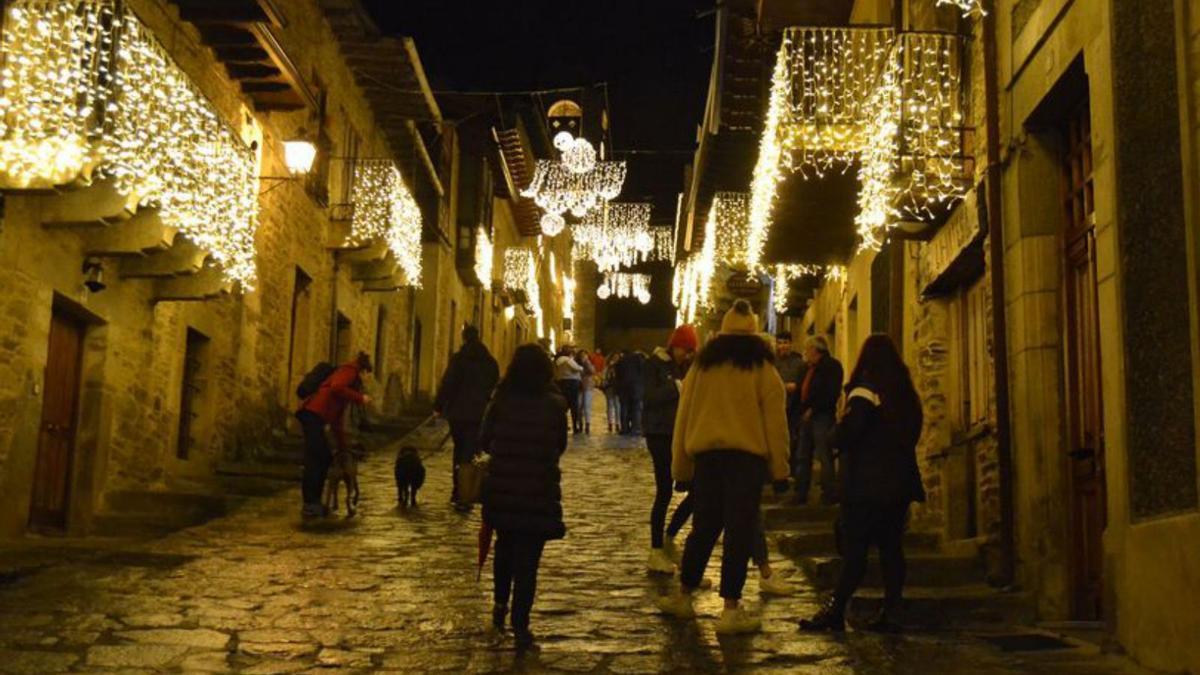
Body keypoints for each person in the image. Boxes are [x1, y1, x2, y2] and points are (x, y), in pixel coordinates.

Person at [656, 300, 790, 634]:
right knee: (739, 533)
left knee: (703, 529)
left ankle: (684, 596)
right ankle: (730, 608)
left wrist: (680, 468)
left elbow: (683, 418)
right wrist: (781, 469)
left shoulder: (702, 367)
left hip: (708, 459)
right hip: (747, 461)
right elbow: (775, 422)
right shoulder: (762, 368)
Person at [799, 334, 925, 633]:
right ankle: (892, 608)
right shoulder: (905, 393)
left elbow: (848, 432)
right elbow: (913, 431)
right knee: (891, 549)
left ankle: (836, 610)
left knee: (855, 551)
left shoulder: (864, 390)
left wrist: (834, 434)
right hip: (898, 484)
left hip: (866, 485)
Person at [479, 344, 569, 651]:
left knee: (504, 548)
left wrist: (506, 451)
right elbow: (560, 445)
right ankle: (521, 626)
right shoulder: (555, 404)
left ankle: (500, 605)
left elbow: (484, 439)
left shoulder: (502, 398)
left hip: (503, 488)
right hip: (538, 491)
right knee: (528, 562)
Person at [642, 325, 698, 573]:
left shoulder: (682, 366)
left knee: (696, 489)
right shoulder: (655, 364)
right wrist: (675, 388)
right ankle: (656, 549)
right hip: (659, 433)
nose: (686, 355)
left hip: (679, 434)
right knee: (664, 490)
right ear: (675, 345)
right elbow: (648, 397)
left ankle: (670, 535)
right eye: (685, 350)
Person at [296, 352, 372, 519]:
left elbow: (337, 420)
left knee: (324, 457)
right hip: (312, 414)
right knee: (317, 457)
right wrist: (360, 398)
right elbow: (336, 387)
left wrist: (342, 445)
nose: (366, 381)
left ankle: (314, 501)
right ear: (363, 371)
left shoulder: (350, 384)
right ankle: (310, 503)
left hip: (316, 416)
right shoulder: (350, 371)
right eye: (367, 376)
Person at [434, 325, 499, 507]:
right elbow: (494, 380)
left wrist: (439, 405)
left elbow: (448, 383)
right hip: (478, 413)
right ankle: (469, 490)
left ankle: (459, 490)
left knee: (459, 449)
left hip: (458, 412)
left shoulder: (459, 359)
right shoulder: (489, 361)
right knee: (471, 451)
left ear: (464, 338)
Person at [793, 335, 844, 505]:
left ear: (815, 350)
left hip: (822, 416)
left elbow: (830, 392)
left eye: (807, 349)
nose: (805, 353)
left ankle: (829, 492)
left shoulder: (831, 367)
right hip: (806, 416)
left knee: (824, 454)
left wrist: (813, 408)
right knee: (802, 455)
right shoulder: (807, 369)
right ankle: (800, 493)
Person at [775, 331, 807, 483]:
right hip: (777, 407)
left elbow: (804, 383)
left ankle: (792, 471)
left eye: (785, 342)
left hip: (794, 407)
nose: (783, 346)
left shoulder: (799, 362)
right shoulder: (772, 362)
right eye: (780, 342)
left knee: (794, 439)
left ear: (791, 344)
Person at [554, 347, 584, 434]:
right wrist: (581, 367)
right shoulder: (568, 360)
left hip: (561, 383)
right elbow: (577, 368)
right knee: (573, 405)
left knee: (563, 406)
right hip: (572, 384)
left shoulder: (558, 361)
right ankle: (575, 426)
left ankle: (561, 425)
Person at [615, 349, 646, 434]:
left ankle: (624, 428)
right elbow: (643, 372)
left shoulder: (620, 361)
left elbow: (617, 376)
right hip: (636, 388)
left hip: (623, 388)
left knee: (624, 408)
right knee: (636, 409)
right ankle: (636, 428)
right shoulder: (639, 360)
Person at [576, 349, 597, 434]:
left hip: (588, 386)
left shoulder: (588, 363)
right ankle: (580, 423)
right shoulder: (575, 363)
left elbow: (592, 371)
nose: (583, 357)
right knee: (579, 406)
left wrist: (586, 362)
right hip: (578, 387)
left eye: (585, 355)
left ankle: (587, 424)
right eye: (581, 355)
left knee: (587, 406)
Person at [602, 351, 623, 433]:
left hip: (617, 387)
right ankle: (610, 423)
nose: (615, 359)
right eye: (614, 357)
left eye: (617, 358)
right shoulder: (608, 367)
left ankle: (618, 423)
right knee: (610, 405)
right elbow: (604, 375)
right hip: (610, 387)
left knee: (617, 405)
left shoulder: (620, 367)